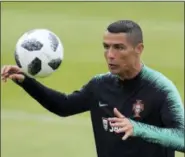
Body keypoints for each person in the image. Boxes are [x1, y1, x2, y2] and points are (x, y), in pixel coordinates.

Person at [1, 20, 184, 157]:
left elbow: (182, 138)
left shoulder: (161, 89)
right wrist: (25, 81)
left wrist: (137, 129)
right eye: (106, 47)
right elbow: (63, 106)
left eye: (119, 48)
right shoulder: (99, 85)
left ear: (139, 49)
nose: (110, 55)